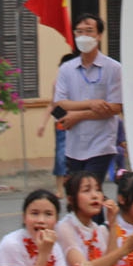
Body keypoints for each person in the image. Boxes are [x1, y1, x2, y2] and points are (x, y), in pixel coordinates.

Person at [51, 13, 123, 179]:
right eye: (79, 31)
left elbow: (114, 107)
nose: (84, 36)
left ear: (99, 35)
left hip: (101, 144)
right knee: (77, 195)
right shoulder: (66, 69)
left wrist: (78, 115)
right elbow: (59, 104)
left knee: (90, 188)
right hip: (73, 145)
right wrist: (92, 104)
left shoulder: (113, 68)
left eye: (89, 31)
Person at [36, 45, 79, 195]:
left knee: (76, 156)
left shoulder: (80, 81)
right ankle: (60, 188)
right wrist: (42, 123)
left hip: (78, 122)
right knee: (61, 156)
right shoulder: (56, 83)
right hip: (61, 123)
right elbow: (52, 104)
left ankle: (74, 187)